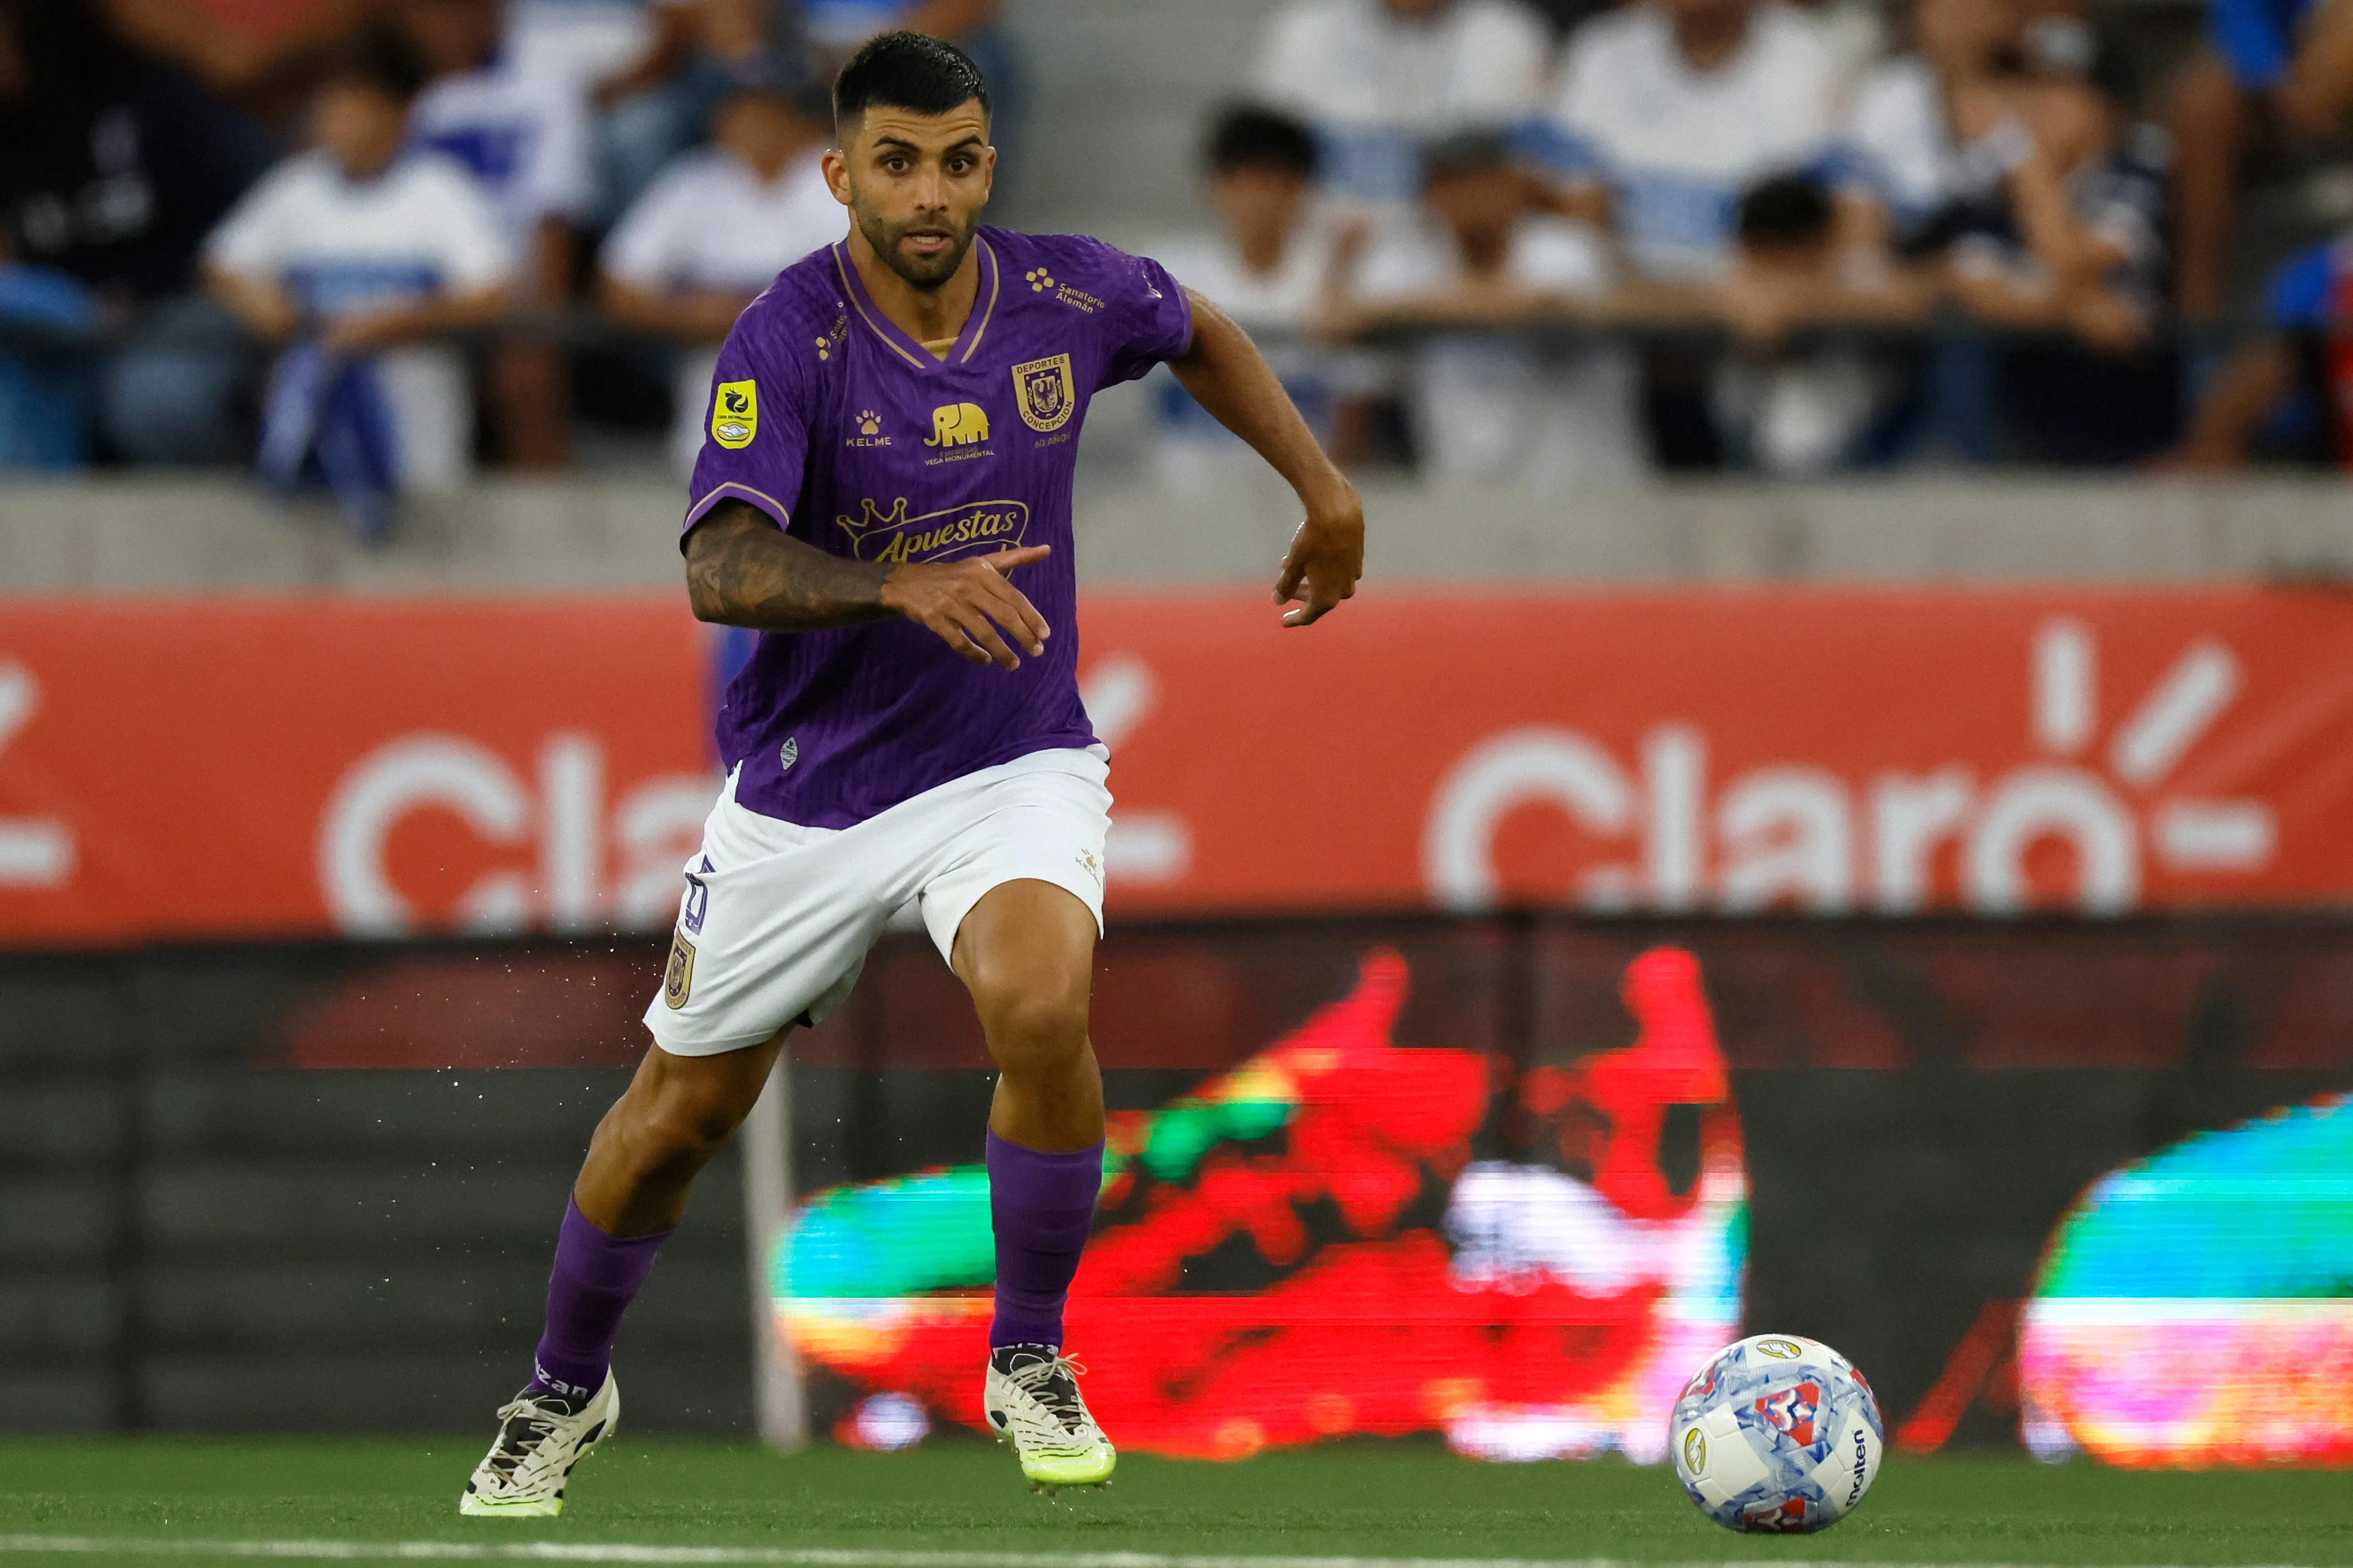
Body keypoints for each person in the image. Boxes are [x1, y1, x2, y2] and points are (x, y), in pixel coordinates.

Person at [458, 31, 1363, 1514]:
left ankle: (1027, 1352)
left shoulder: (1067, 287)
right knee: (670, 1123)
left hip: (1007, 756)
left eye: (954, 160)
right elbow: (718, 565)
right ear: (840, 175)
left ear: (985, 165)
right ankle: (562, 1385)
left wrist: (1320, 486)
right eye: (895, 161)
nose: (927, 190)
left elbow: (1193, 323)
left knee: (1041, 998)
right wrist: (895, 583)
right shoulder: (787, 335)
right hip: (808, 788)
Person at [203, 27, 511, 531]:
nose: (333, 119)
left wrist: (400, 321)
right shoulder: (296, 187)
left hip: (414, 417)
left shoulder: (438, 190)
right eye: (328, 103)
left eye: (353, 104)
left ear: (395, 112)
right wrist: (259, 300)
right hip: (311, 424)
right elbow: (221, 263)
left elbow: (492, 293)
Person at [0, 0, 272, 464]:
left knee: (154, 403)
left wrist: (139, 290)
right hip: (61, 326)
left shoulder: (155, 99)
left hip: (178, 306)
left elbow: (244, 218)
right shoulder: (11, 132)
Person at [1323, 127, 1641, 485]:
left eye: (1481, 181)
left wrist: (1402, 311)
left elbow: (1548, 304)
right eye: (1449, 184)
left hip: (1584, 494)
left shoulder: (1565, 250)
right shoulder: (1410, 263)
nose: (1467, 197)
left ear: (1512, 185)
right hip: (1465, 497)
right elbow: (1334, 326)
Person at [599, 74, 844, 471]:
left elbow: (880, 290)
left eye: (766, 112)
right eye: (740, 113)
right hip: (716, 416)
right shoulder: (694, 182)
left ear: (797, 117)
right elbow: (617, 286)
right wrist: (686, 316)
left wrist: (741, 312)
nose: (751, 126)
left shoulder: (845, 183)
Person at [399, 0, 596, 466]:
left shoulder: (542, 79)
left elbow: (556, 213)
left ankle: (550, 529)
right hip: (416, 291)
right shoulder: (388, 84)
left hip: (510, 287)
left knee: (529, 375)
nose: (441, 25)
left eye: (458, 12)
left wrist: (537, 327)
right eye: (429, 13)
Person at [1548, 0, 1846, 282]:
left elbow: (1846, 209)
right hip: (1623, 298)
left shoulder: (1806, 54)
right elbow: (1575, 200)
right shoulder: (1604, 50)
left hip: (1764, 300)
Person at [1146, 105, 1369, 482]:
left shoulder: (1336, 283)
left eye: (1270, 181)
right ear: (1215, 187)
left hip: (1295, 498)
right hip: (1188, 498)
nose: (1254, 199)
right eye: (1239, 181)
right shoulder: (1170, 272)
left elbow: (1357, 394)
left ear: (1301, 188)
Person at [1253, 0, 1554, 203]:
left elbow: (1539, 175)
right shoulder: (1306, 33)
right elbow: (1260, 170)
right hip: (1326, 253)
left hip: (1460, 260)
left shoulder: (1509, 37)